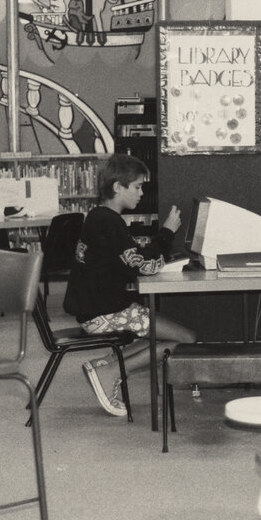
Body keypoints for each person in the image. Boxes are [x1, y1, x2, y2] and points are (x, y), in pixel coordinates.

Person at [63, 154, 198, 416]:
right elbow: (145, 266)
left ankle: (107, 364)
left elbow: (130, 257)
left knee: (160, 335)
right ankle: (110, 371)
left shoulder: (98, 217)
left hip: (95, 309)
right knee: (187, 339)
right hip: (105, 313)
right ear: (117, 187)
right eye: (137, 187)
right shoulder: (110, 222)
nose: (141, 193)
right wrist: (168, 232)